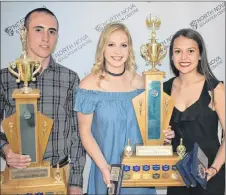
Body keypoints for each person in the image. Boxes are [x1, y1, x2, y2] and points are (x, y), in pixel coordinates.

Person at [74, 22, 175, 195]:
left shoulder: (143, 83)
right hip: (106, 171)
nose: (118, 52)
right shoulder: (88, 85)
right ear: (102, 48)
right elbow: (85, 133)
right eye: (111, 44)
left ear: (130, 49)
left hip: (140, 172)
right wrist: (104, 168)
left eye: (123, 45)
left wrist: (163, 136)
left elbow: (151, 126)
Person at [0, 8, 86, 194]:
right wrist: (5, 149)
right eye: (38, 29)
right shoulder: (4, 78)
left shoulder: (69, 78)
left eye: (52, 31)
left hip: (58, 176)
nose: (46, 38)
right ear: (24, 33)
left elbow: (77, 134)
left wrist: (76, 183)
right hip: (18, 178)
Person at [164, 28, 225, 195]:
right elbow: (159, 138)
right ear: (171, 56)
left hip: (210, 176)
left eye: (190, 51)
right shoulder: (164, 89)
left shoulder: (215, 88)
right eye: (178, 51)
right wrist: (162, 139)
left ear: (199, 55)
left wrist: (214, 168)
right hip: (177, 176)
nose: (184, 58)